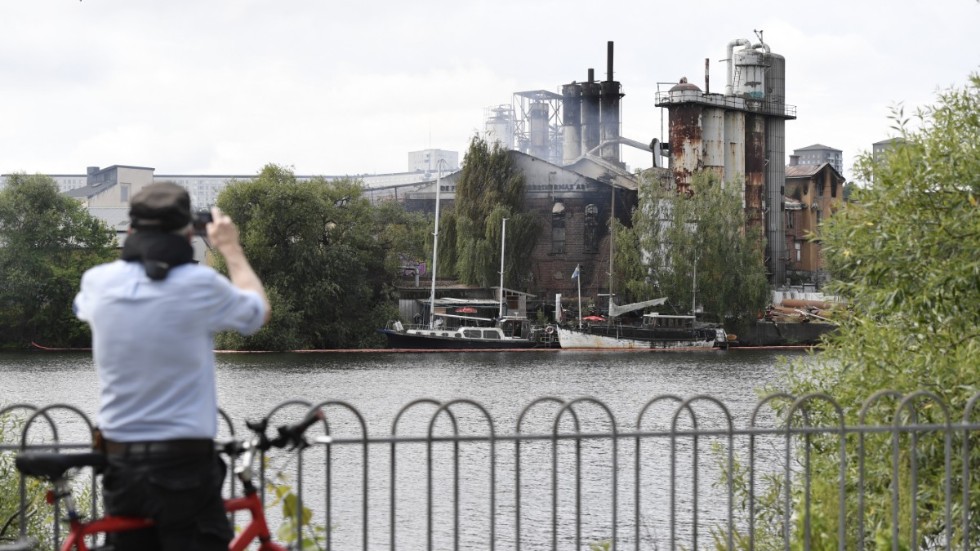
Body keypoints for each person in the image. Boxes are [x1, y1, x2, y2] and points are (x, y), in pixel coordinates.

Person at [73, 182, 271, 551]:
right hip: (185, 468)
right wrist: (230, 248)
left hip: (122, 468)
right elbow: (257, 312)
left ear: (131, 230)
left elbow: (83, 306)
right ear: (187, 232)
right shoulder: (200, 284)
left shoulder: (97, 284)